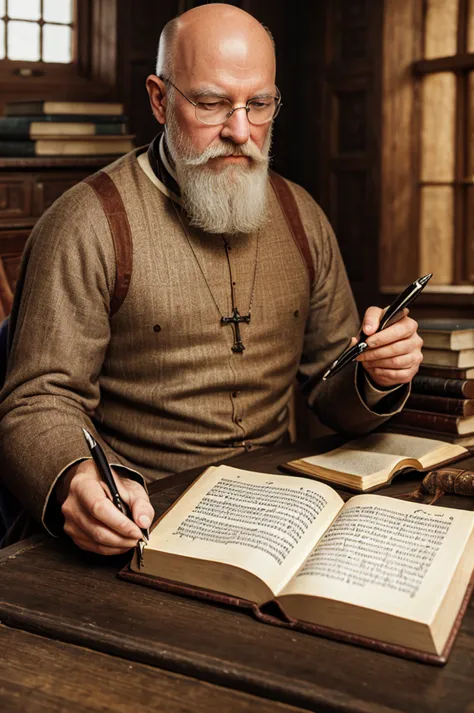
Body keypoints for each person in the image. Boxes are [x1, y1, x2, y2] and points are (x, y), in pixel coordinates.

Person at [0, 4, 422, 555]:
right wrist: (78, 478)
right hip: (146, 521)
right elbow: (37, 402)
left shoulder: (302, 216)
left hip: (281, 516)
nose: (241, 131)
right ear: (158, 98)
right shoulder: (85, 224)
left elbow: (330, 386)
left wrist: (377, 375)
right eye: (211, 103)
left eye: (260, 104)